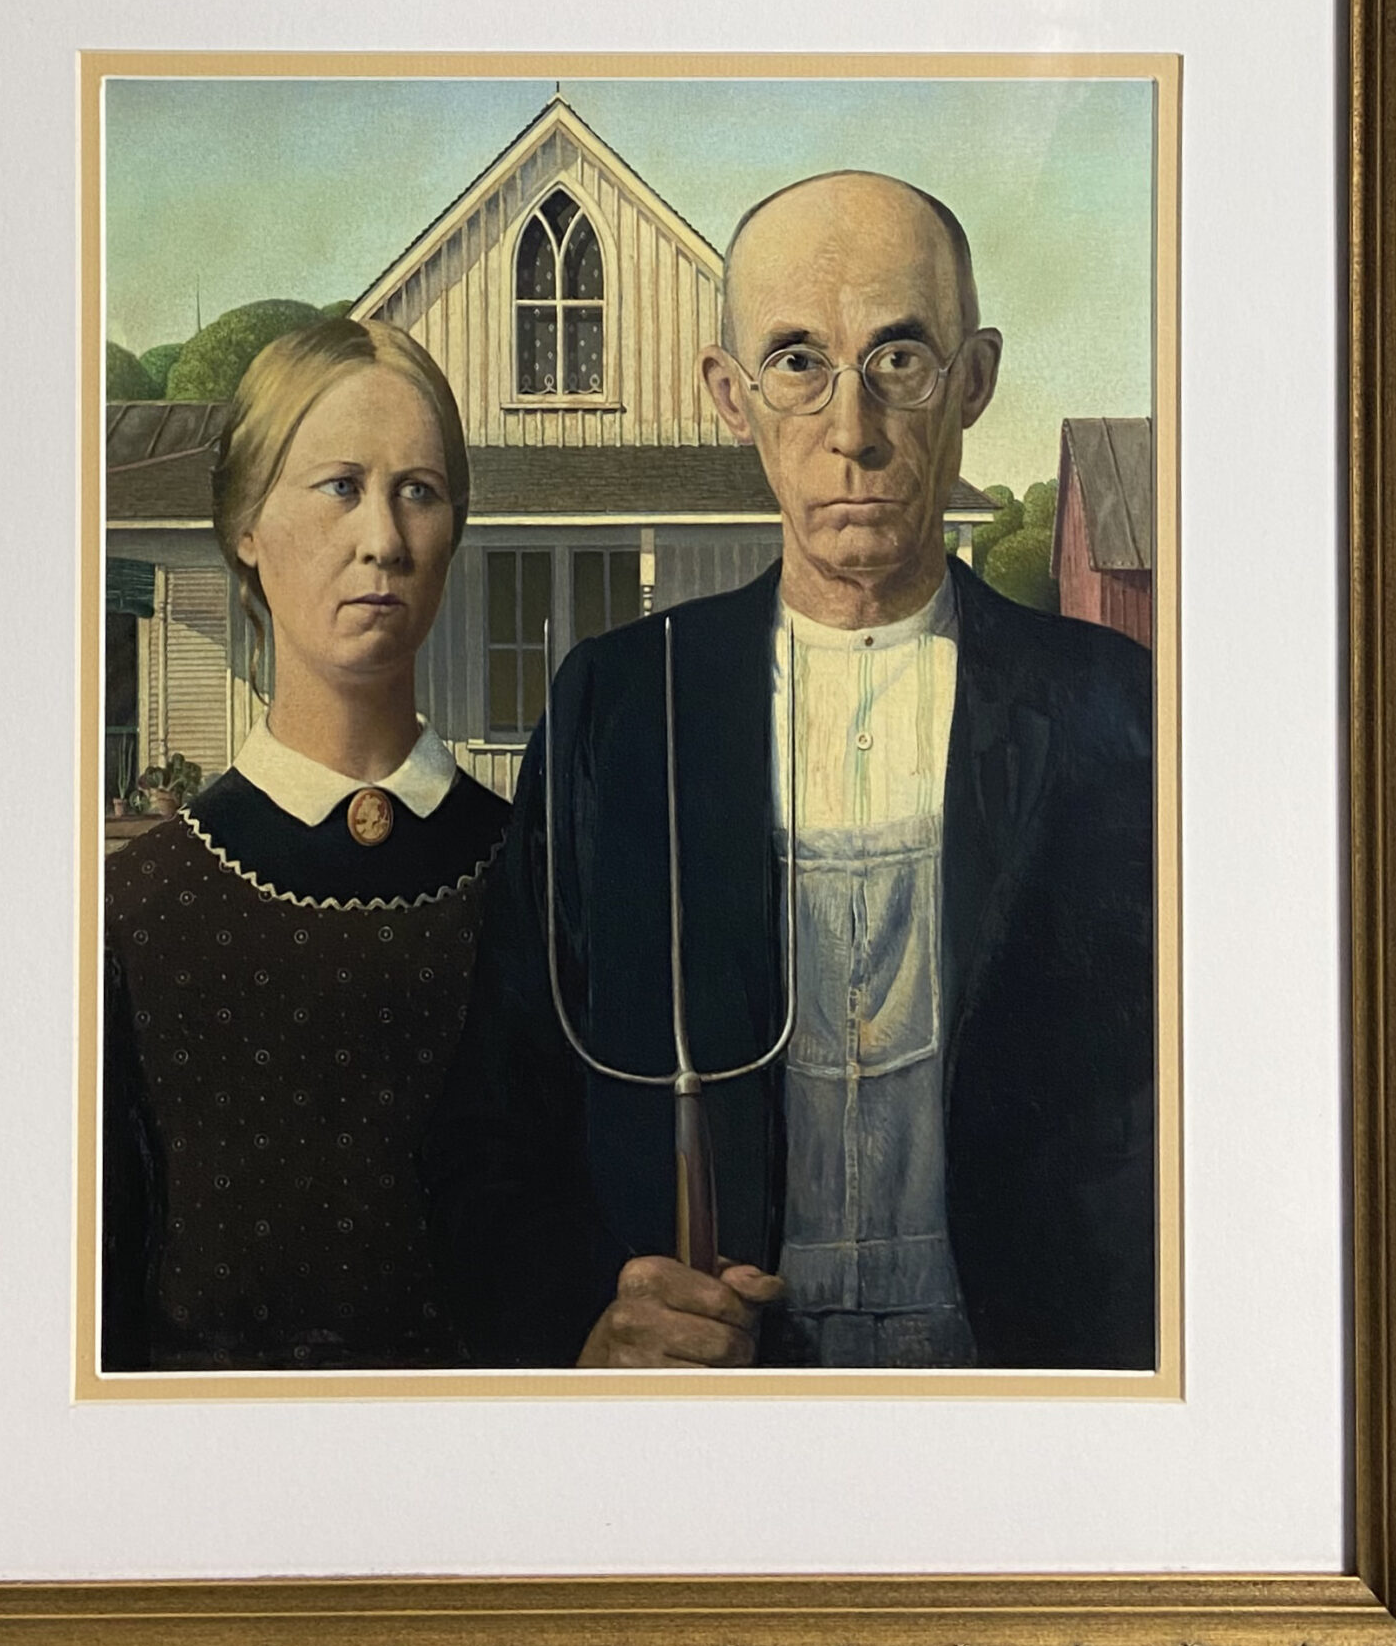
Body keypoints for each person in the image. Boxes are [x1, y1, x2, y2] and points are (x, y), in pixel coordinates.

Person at [426, 172, 1154, 1371]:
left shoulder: (1108, 711)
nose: (851, 429)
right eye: (799, 362)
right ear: (731, 395)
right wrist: (585, 1323)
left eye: (900, 360)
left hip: (1026, 1400)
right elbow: (494, 1129)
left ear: (975, 379)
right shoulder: (625, 709)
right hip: (722, 1404)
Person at [102, 316, 510, 1371]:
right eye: (339, 486)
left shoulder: (542, 878)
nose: (384, 539)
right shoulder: (136, 913)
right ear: (245, 525)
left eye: (419, 491)